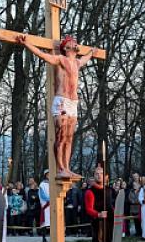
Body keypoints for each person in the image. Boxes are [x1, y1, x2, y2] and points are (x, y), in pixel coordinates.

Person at [16, 35, 95, 178]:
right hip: (62, 101)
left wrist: (92, 52)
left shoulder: (77, 62)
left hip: (73, 102)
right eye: (72, 42)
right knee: (61, 135)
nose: (75, 43)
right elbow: (43, 55)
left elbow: (87, 57)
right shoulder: (60, 59)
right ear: (66, 47)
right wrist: (27, 44)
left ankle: (67, 167)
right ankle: (60, 168)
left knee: (70, 137)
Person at [84, 164, 115, 242]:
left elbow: (112, 205)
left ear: (106, 176)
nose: (99, 176)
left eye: (101, 173)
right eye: (96, 174)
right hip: (98, 223)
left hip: (109, 222)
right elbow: (88, 209)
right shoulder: (90, 192)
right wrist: (98, 214)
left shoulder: (109, 190)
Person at [39, 171, 50, 242]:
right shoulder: (42, 184)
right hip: (46, 205)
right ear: (45, 175)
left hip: (53, 205)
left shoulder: (54, 183)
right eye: (48, 174)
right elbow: (42, 194)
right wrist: (49, 199)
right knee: (45, 223)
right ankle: (44, 238)